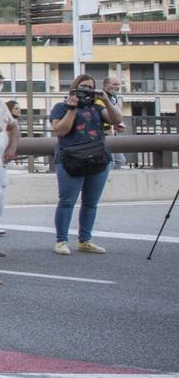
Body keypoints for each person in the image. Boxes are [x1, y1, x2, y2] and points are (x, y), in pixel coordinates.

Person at [50, 75, 112, 255]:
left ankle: (85, 240)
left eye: (91, 87)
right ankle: (61, 241)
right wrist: (72, 108)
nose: (87, 91)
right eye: (83, 87)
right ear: (74, 88)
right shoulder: (60, 107)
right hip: (70, 160)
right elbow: (61, 130)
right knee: (67, 201)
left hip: (97, 158)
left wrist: (106, 100)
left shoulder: (97, 107)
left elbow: (115, 119)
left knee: (91, 203)